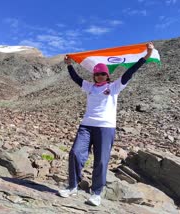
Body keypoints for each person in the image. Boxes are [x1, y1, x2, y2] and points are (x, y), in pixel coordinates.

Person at [58, 42, 155, 206]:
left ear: (107, 75)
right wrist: (69, 65)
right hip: (86, 126)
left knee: (101, 160)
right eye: (97, 74)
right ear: (94, 76)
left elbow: (130, 72)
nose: (100, 76)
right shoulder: (89, 86)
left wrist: (146, 57)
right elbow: (76, 78)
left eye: (102, 74)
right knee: (75, 153)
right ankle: (73, 186)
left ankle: (96, 193)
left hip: (106, 127)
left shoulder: (115, 86)